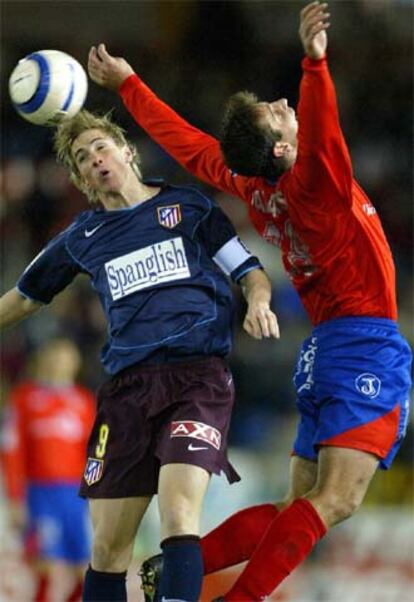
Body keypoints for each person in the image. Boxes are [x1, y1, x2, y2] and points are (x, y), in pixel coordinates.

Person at [86, 1, 412, 600]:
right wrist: (314, 67)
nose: (284, 106)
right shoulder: (315, 184)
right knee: (336, 501)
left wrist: (129, 85)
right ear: (286, 150)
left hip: (325, 351)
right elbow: (325, 132)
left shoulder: (253, 184)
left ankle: (186, 564)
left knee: (300, 503)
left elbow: (187, 146)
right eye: (277, 114)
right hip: (364, 344)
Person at [0, 99, 279, 601]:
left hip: (198, 379)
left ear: (127, 151)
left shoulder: (190, 208)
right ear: (82, 178)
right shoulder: (82, 237)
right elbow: (23, 298)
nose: (94, 159)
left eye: (100, 147)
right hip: (127, 391)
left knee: (178, 514)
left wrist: (258, 300)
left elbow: (249, 270)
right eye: (82, 158)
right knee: (107, 550)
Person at [1, 337, 95, 602]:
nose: (60, 363)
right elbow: (12, 451)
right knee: (44, 563)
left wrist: (96, 493)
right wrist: (15, 497)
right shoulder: (25, 399)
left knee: (83, 566)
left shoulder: (84, 402)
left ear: (75, 363)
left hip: (76, 496)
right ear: (43, 360)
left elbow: (95, 454)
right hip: (40, 493)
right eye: (55, 356)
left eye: (66, 357)